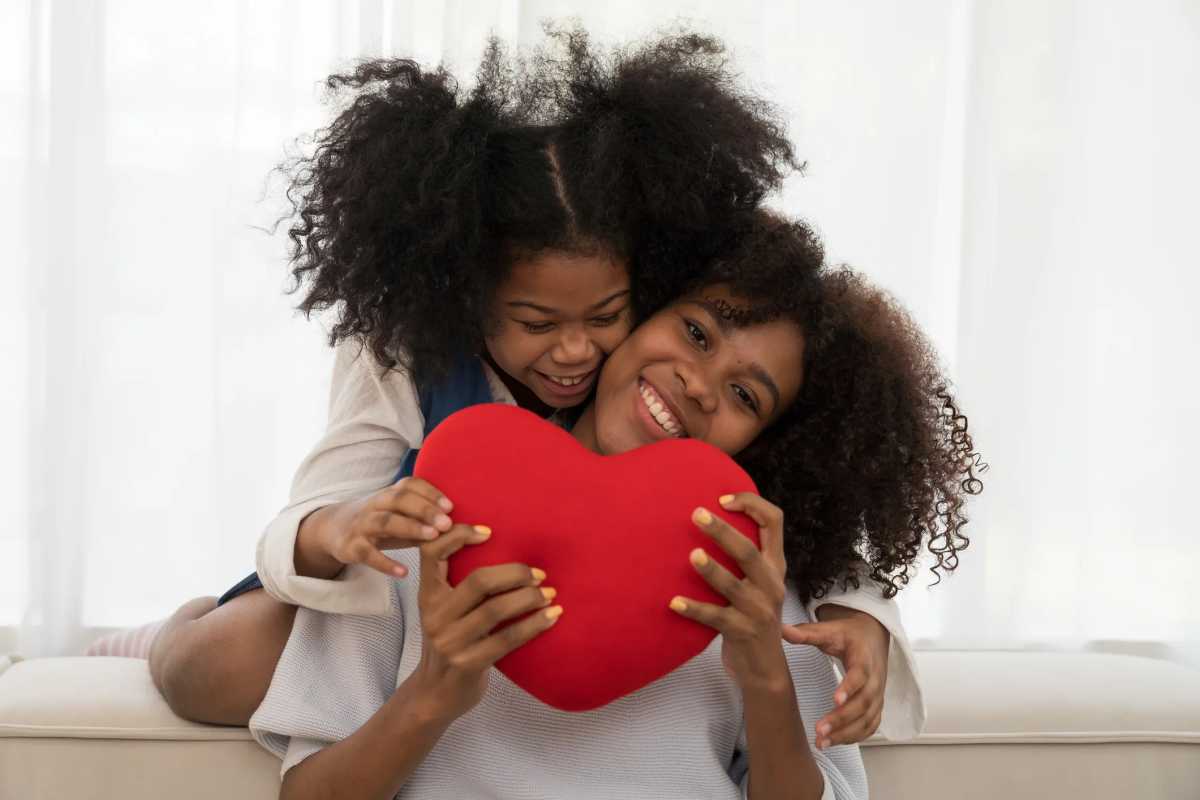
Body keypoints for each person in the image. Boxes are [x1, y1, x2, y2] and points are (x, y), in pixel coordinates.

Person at [95, 29, 898, 746]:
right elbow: (308, 514)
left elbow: (819, 520)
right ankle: (167, 628)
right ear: (467, 291)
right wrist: (346, 527)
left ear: (641, 283)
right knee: (216, 670)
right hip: (377, 584)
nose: (576, 350)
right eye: (535, 321)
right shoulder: (405, 353)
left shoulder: (654, 386)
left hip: (514, 603)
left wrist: (864, 617)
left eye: (607, 313)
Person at [249, 212, 983, 799]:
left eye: (744, 395)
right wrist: (438, 689)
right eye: (695, 332)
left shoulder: (760, 590)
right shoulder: (421, 523)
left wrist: (762, 673)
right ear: (633, 311)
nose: (699, 384)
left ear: (770, 444)